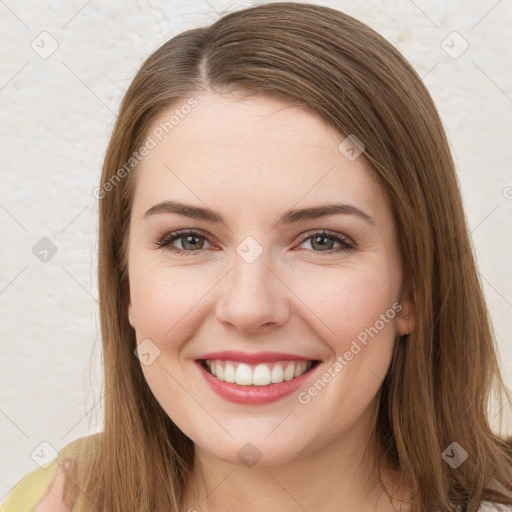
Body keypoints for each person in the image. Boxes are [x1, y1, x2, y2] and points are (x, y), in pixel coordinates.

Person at [2, 3, 512, 511]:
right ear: (126, 282)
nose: (248, 308)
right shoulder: (49, 498)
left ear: (413, 286)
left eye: (321, 241)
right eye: (189, 240)